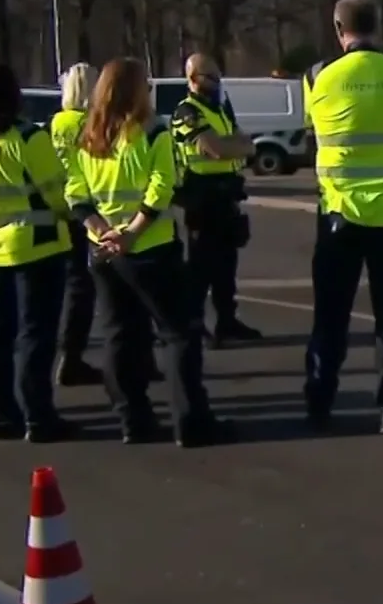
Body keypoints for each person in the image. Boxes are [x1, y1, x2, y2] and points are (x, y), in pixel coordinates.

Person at [66, 57, 229, 447]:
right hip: (150, 246)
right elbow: (162, 186)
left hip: (104, 250)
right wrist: (132, 232)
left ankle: (132, 420)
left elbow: (75, 192)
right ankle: (191, 421)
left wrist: (103, 231)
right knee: (178, 333)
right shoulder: (153, 131)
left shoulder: (89, 134)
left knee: (120, 335)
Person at [302, 0, 383, 435]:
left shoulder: (318, 76)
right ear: (379, 26)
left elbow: (312, 127)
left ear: (340, 30)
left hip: (340, 213)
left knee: (330, 316)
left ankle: (319, 403)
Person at [0, 63, 76, 443]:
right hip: (35, 244)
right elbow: (56, 192)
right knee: (35, 335)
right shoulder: (27, 138)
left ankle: (2, 415)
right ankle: (39, 416)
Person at [169, 53, 262, 347]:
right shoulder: (187, 112)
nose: (218, 84)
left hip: (226, 196)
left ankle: (227, 321)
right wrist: (237, 146)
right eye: (212, 77)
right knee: (200, 268)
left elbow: (244, 143)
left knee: (226, 265)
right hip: (202, 198)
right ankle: (194, 325)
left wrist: (237, 145)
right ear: (194, 78)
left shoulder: (219, 111)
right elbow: (216, 148)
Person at [48, 62, 105, 386]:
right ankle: (72, 357)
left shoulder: (55, 123)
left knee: (74, 285)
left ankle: (70, 354)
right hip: (89, 208)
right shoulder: (91, 124)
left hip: (61, 209)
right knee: (88, 288)